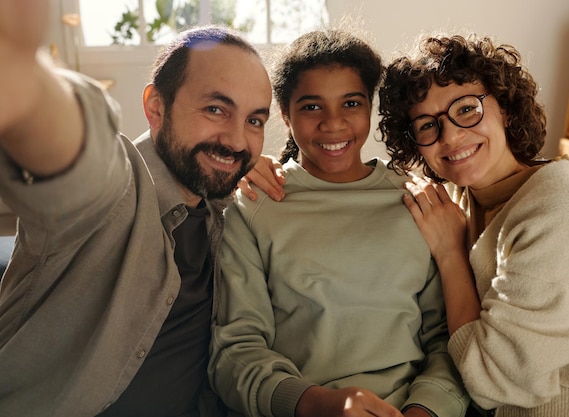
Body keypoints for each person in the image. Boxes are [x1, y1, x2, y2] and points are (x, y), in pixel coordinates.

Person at [0, 1, 273, 416]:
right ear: (156, 107)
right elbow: (86, 158)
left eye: (254, 120)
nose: (237, 140)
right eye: (216, 109)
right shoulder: (116, 194)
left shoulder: (227, 212)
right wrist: (28, 88)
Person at [209, 28, 469, 417]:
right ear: (284, 113)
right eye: (312, 107)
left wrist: (425, 409)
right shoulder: (254, 207)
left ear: (370, 106)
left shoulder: (417, 200)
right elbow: (237, 351)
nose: (333, 124)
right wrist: (315, 404)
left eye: (351, 103)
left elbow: (446, 340)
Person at [377, 32, 569, 416]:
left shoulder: (556, 213)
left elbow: (492, 378)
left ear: (505, 108)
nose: (451, 136)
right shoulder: (465, 195)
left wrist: (449, 253)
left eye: (465, 109)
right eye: (427, 125)